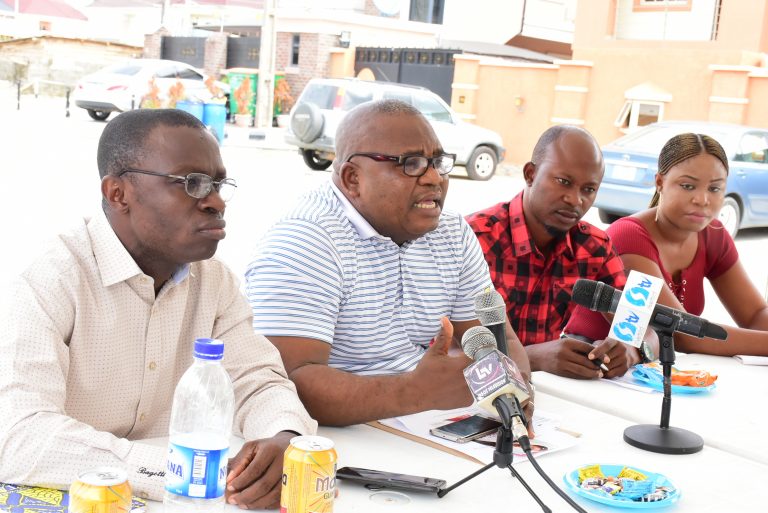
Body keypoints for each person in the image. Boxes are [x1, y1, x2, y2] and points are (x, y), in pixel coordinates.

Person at [0, 109, 316, 510]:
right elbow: (18, 436)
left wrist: (286, 439)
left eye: (218, 184)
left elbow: (257, 381)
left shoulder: (213, 280)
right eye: (191, 183)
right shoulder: (52, 280)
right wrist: (180, 472)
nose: (215, 202)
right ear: (118, 193)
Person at [245, 99, 533, 427]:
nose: (434, 178)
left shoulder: (450, 231)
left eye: (438, 162)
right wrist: (417, 393)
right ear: (352, 178)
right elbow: (286, 383)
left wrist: (516, 390)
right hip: (334, 436)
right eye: (411, 164)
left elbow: (497, 338)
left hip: (424, 422)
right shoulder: (306, 239)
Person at [467, 125, 657, 380]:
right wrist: (534, 357)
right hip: (464, 392)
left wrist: (630, 351)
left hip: (543, 392)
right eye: (564, 182)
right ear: (530, 174)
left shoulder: (594, 247)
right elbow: (442, 351)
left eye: (588, 189)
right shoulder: (473, 239)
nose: (575, 200)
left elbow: (647, 331)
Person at [565, 132, 768, 354]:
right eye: (688, 186)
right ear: (660, 182)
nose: (702, 200)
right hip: (590, 362)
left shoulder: (714, 236)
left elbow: (755, 314)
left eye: (714, 188)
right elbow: (682, 335)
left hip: (650, 367)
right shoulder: (628, 237)